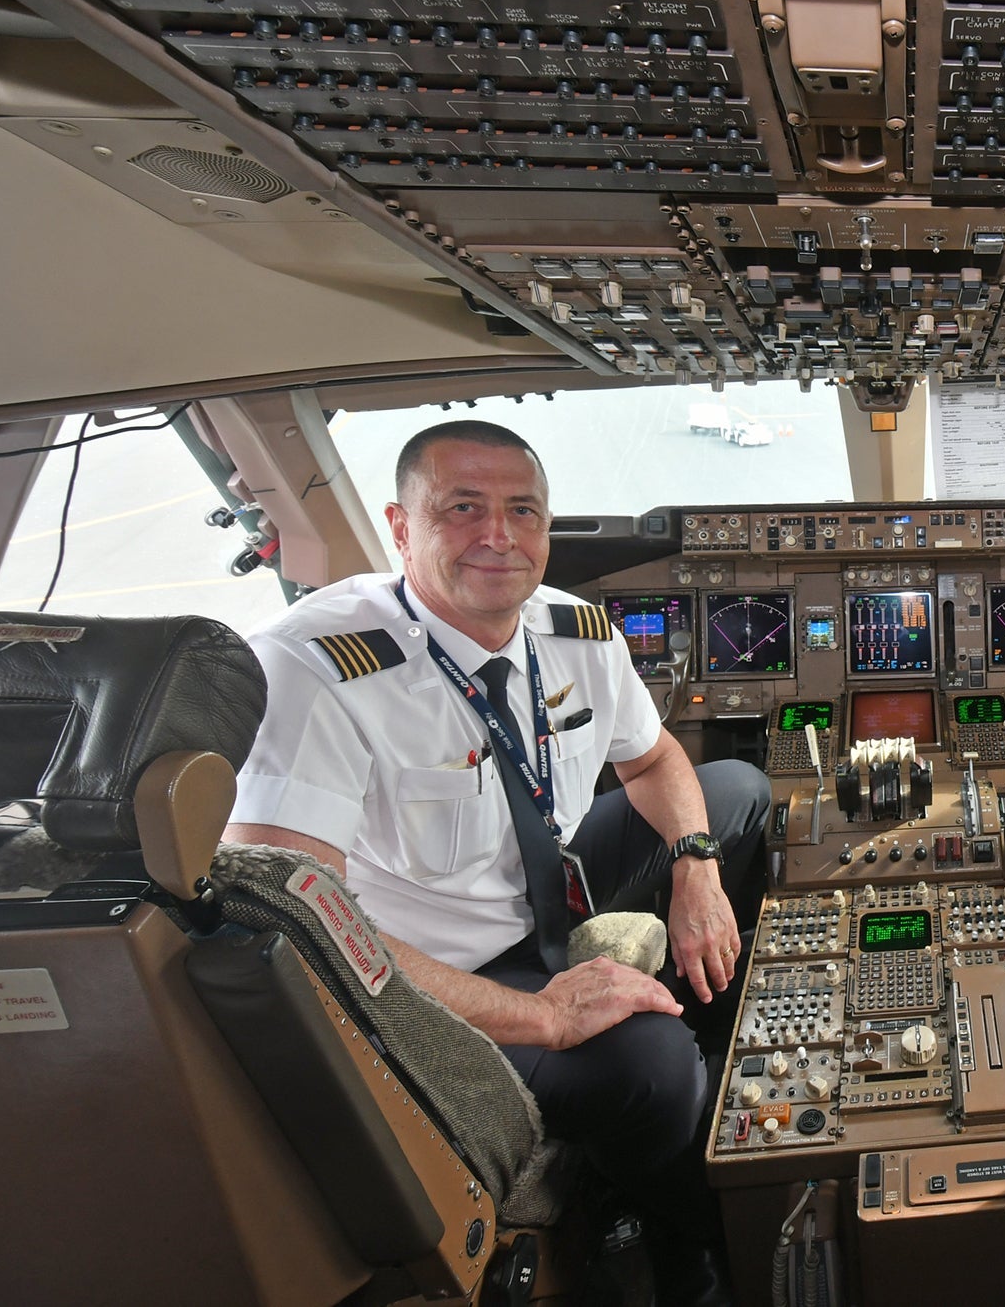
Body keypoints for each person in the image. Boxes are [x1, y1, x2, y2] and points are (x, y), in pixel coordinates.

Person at [225, 420, 767, 1303]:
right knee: (660, 1070)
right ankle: (674, 1223)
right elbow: (301, 925)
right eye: (462, 509)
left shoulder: (574, 633)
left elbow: (656, 760)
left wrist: (696, 873)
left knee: (735, 788)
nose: (498, 536)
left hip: (540, 893)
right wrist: (541, 1017)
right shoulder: (313, 668)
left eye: (522, 510)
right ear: (401, 528)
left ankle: (700, 1016)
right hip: (420, 982)